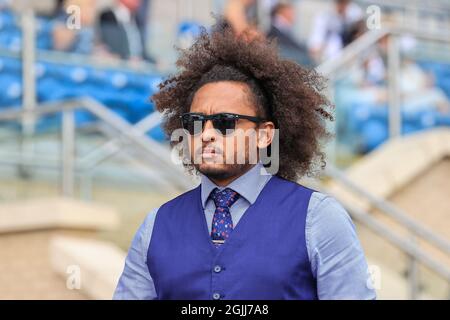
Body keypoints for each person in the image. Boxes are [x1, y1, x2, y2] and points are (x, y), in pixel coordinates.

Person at [113, 21, 376, 300]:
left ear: (264, 135)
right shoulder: (156, 226)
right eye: (195, 123)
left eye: (225, 123)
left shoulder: (319, 218)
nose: (206, 135)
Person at [267, 2, 313, 67]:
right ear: (283, 12)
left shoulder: (283, 29)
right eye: (291, 12)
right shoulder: (276, 32)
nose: (294, 16)